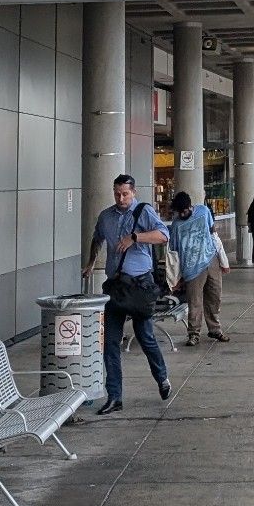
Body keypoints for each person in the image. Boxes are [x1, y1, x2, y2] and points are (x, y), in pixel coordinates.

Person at [83, 174, 172, 414]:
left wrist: (135, 237)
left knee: (145, 337)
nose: (121, 198)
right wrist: (91, 262)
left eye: (125, 194)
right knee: (110, 343)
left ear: (133, 193)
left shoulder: (143, 212)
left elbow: (164, 235)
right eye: (117, 194)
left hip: (140, 286)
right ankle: (115, 397)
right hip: (115, 286)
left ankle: (162, 378)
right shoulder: (106, 216)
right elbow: (97, 239)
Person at [168, 189, 229, 345]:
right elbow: (174, 252)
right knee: (194, 302)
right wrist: (176, 276)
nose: (181, 215)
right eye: (179, 212)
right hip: (190, 268)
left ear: (190, 206)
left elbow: (213, 233)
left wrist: (222, 259)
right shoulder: (175, 225)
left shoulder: (203, 211)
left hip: (210, 259)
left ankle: (215, 330)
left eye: (184, 211)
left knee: (215, 296)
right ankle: (193, 333)